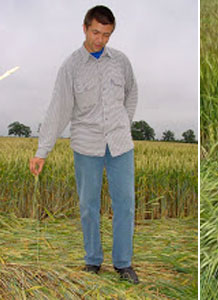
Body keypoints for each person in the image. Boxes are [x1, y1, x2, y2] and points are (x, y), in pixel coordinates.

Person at [29, 5, 139, 284]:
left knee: (125, 205)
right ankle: (93, 260)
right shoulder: (71, 67)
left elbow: (131, 93)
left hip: (120, 145)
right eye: (96, 33)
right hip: (86, 146)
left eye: (107, 34)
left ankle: (123, 264)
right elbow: (58, 109)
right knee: (89, 205)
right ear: (84, 28)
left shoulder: (121, 62)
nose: (100, 40)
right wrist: (43, 151)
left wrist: (123, 124)